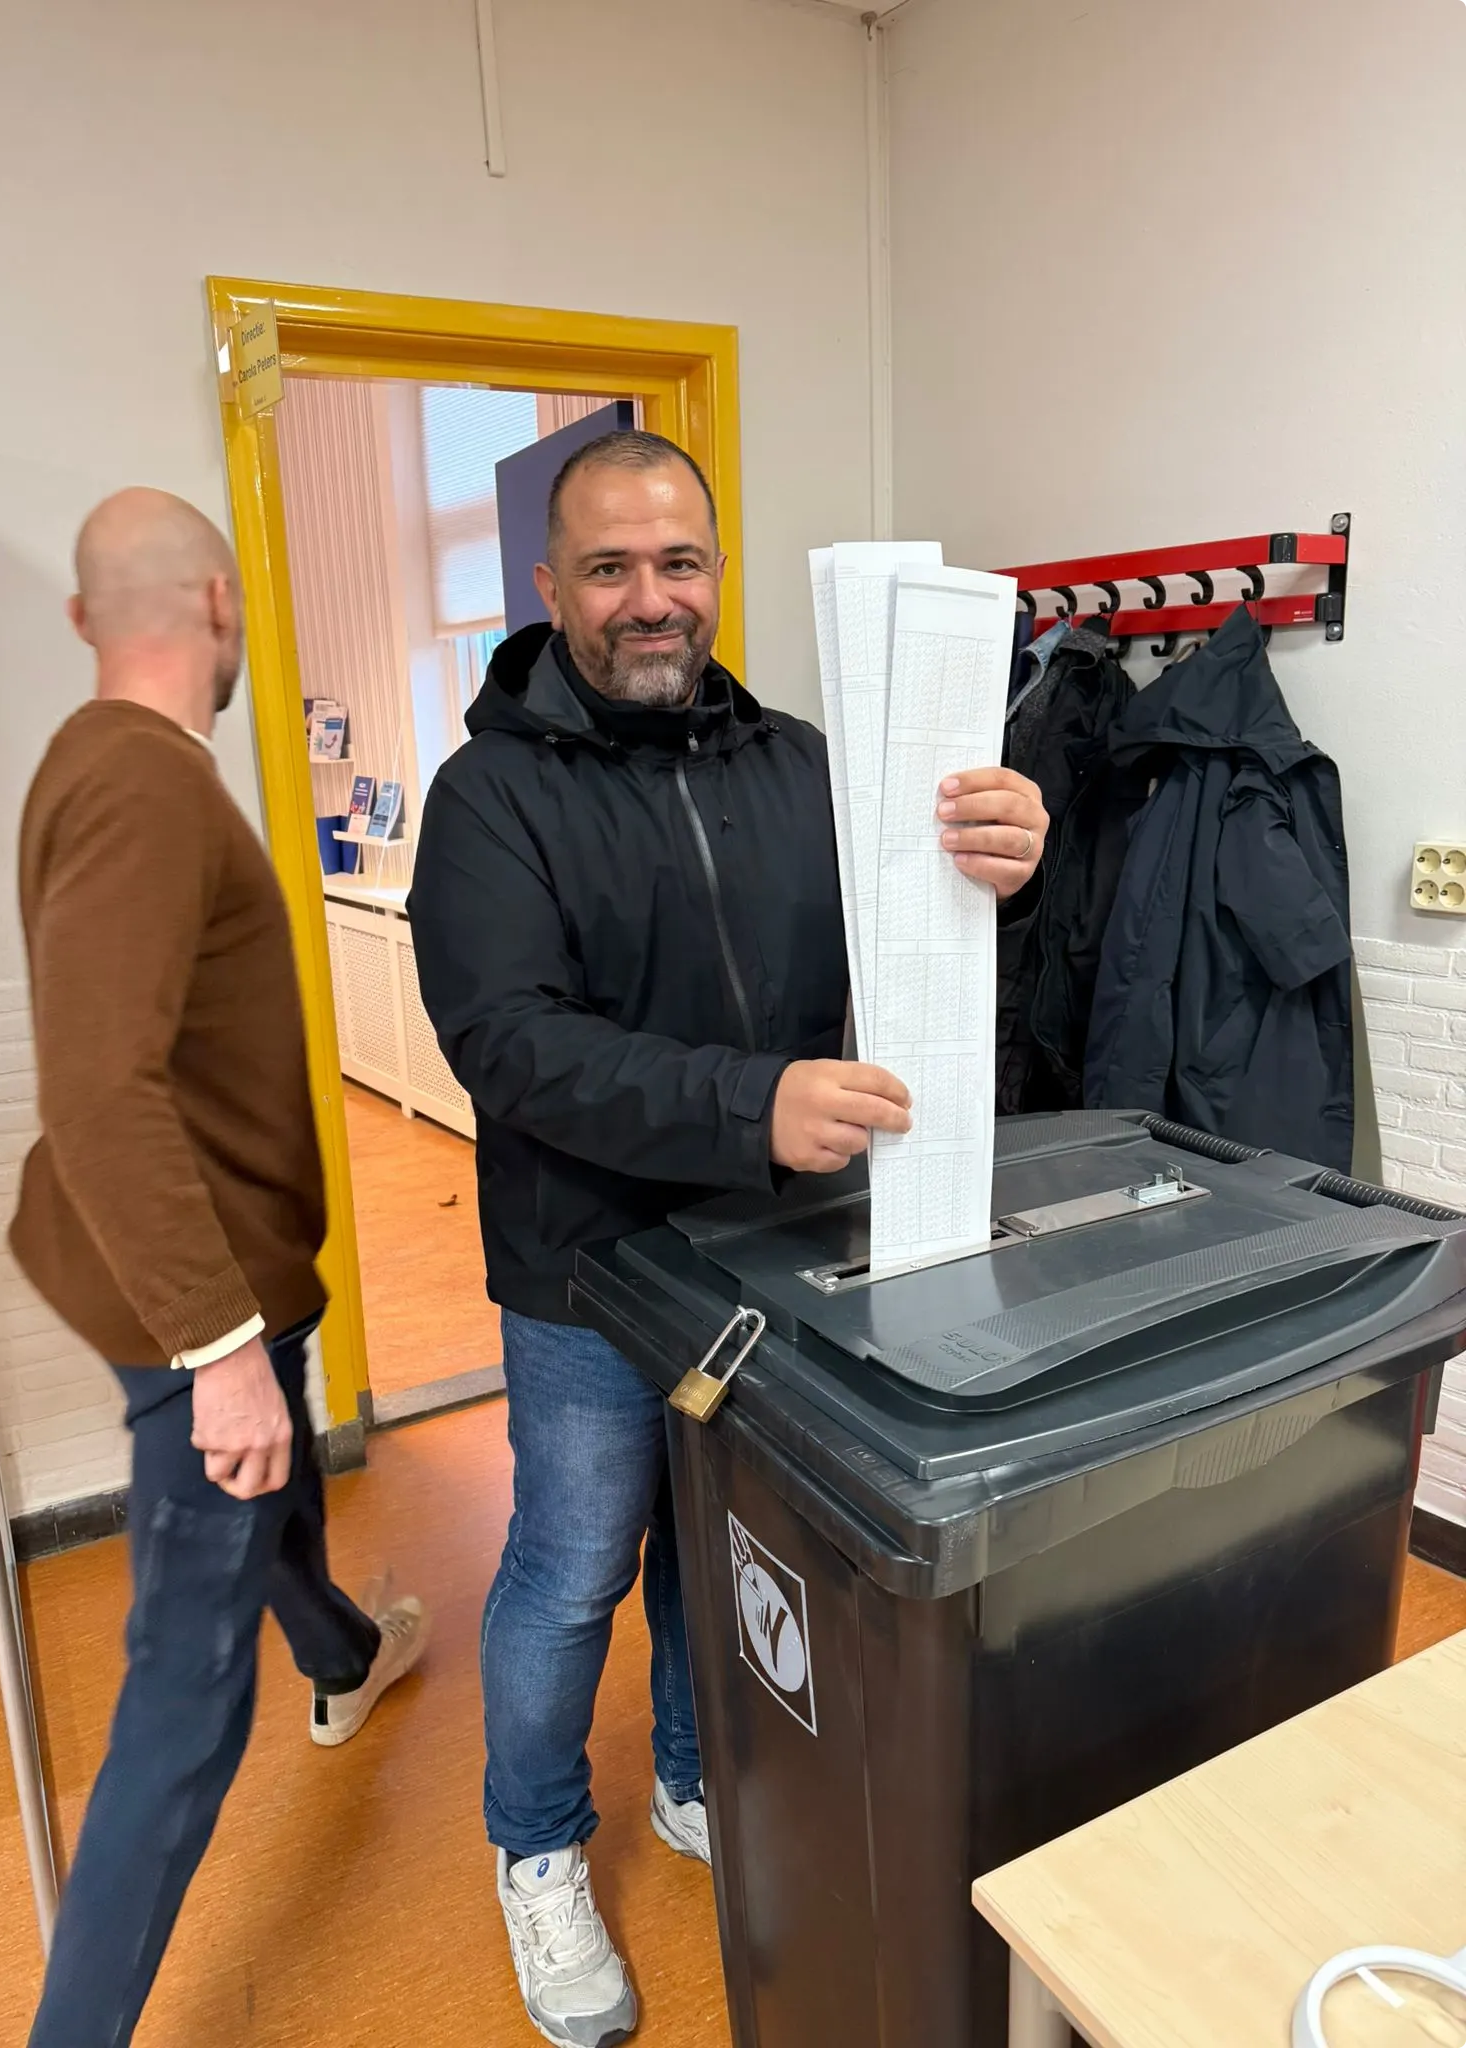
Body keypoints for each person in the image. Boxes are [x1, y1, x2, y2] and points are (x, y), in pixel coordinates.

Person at [407, 432, 1047, 2048]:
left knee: (722, 1555)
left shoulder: (811, 761)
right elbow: (509, 1042)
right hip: (586, 1271)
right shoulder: (491, 798)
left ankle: (699, 1779)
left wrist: (1006, 865)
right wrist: (747, 1103)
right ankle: (539, 1846)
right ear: (548, 591)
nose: (650, 600)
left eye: (678, 563)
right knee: (572, 1571)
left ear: (715, 574)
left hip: (772, 1269)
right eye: (610, 569)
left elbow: (920, 929)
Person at [13, 488, 428, 2048]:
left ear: (81, 621)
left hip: (225, 1285)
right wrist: (221, 1353)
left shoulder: (97, 761)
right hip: (200, 1313)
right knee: (187, 1690)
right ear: (219, 601)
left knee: (286, 1513)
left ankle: (345, 1657)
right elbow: (99, 1091)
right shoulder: (144, 789)